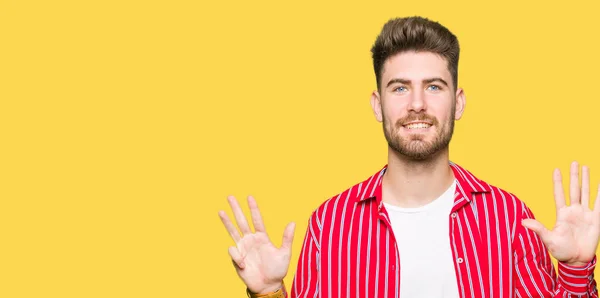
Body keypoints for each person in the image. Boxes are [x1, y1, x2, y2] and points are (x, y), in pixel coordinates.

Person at [218, 16, 600, 298]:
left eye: (434, 86)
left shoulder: (510, 218)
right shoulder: (330, 225)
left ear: (459, 101)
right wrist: (268, 292)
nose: (417, 104)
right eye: (399, 88)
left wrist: (577, 269)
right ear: (377, 104)